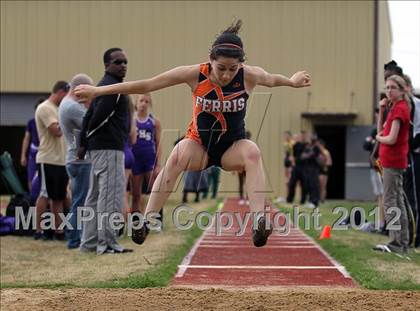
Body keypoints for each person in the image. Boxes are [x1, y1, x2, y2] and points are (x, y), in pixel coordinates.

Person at [75, 20, 311, 247]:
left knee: (252, 151)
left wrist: (292, 81)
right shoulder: (194, 74)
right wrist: (98, 91)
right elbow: (147, 85)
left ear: (241, 64)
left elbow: (272, 79)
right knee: (177, 155)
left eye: (232, 69)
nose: (227, 75)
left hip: (231, 148)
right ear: (210, 61)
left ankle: (259, 220)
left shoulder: (249, 75)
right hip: (199, 146)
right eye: (221, 68)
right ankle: (146, 221)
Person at [78, 48, 132, 254]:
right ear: (107, 65)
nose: (123, 65)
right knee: (109, 195)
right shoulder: (112, 87)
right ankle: (107, 243)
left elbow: (87, 116)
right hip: (108, 147)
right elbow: (97, 116)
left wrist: (84, 143)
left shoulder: (102, 86)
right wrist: (87, 138)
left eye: (126, 62)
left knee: (95, 196)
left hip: (98, 148)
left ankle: (89, 243)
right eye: (118, 62)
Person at [373, 75, 411, 254]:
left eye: (393, 87)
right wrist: (381, 110)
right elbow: (381, 128)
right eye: (387, 87)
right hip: (390, 161)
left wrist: (379, 139)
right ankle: (402, 242)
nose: (389, 91)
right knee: (397, 201)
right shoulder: (394, 107)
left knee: (390, 202)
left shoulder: (400, 109)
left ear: (402, 90)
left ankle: (396, 242)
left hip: (393, 161)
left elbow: (390, 138)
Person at [58, 74, 94, 249]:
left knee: (78, 201)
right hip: (80, 161)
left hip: (74, 159)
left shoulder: (67, 104)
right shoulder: (72, 107)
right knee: (80, 202)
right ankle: (74, 239)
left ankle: (74, 236)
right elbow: (92, 123)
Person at [34, 81, 70, 241]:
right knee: (44, 194)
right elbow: (56, 131)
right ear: (60, 92)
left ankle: (59, 231)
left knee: (59, 197)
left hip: (61, 160)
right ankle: (39, 230)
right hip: (48, 159)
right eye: (67, 94)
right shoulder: (45, 108)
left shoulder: (58, 109)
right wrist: (69, 120)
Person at [131, 93, 162, 215]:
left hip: (149, 159)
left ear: (150, 104)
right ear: (136, 103)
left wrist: (158, 164)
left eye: (146, 101)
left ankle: (157, 220)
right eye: (141, 101)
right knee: (136, 194)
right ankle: (135, 222)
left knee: (155, 192)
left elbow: (159, 143)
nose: (143, 104)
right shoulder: (132, 120)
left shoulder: (154, 121)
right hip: (135, 160)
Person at [20, 99, 43, 192]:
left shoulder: (50, 121)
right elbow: (26, 138)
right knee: (31, 177)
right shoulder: (31, 122)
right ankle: (32, 199)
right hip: (33, 152)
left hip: (45, 152)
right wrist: (23, 155)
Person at [317, 139, 332, 204]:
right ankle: (317, 198)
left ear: (321, 145)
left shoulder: (326, 152)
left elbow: (329, 161)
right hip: (317, 169)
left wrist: (326, 167)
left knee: (323, 185)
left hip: (323, 170)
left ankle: (322, 199)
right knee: (317, 185)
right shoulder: (317, 152)